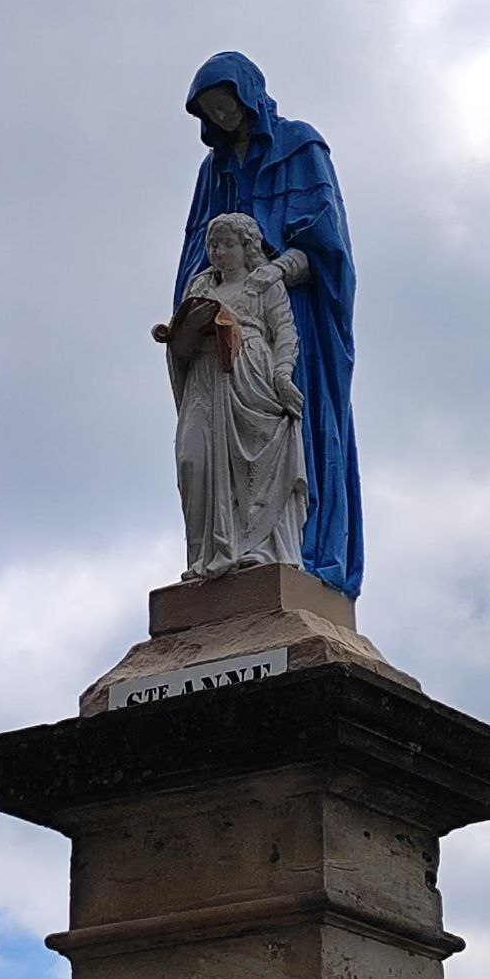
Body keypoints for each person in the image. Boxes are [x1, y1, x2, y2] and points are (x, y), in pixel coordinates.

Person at [175, 51, 363, 598]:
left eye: (225, 104)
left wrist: (271, 275)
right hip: (220, 333)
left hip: (291, 314)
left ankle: (288, 552)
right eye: (209, 111)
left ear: (248, 96)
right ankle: (224, 552)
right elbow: (195, 254)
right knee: (205, 450)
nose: (222, 117)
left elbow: (326, 245)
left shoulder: (301, 146)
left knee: (284, 435)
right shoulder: (214, 172)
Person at [166, 213, 308, 579]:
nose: (218, 252)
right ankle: (204, 555)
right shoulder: (199, 285)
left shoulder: (262, 285)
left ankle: (257, 548)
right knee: (192, 460)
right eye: (213, 245)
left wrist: (282, 375)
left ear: (247, 248)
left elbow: (286, 332)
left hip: (250, 374)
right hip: (203, 376)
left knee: (252, 465)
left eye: (227, 244)